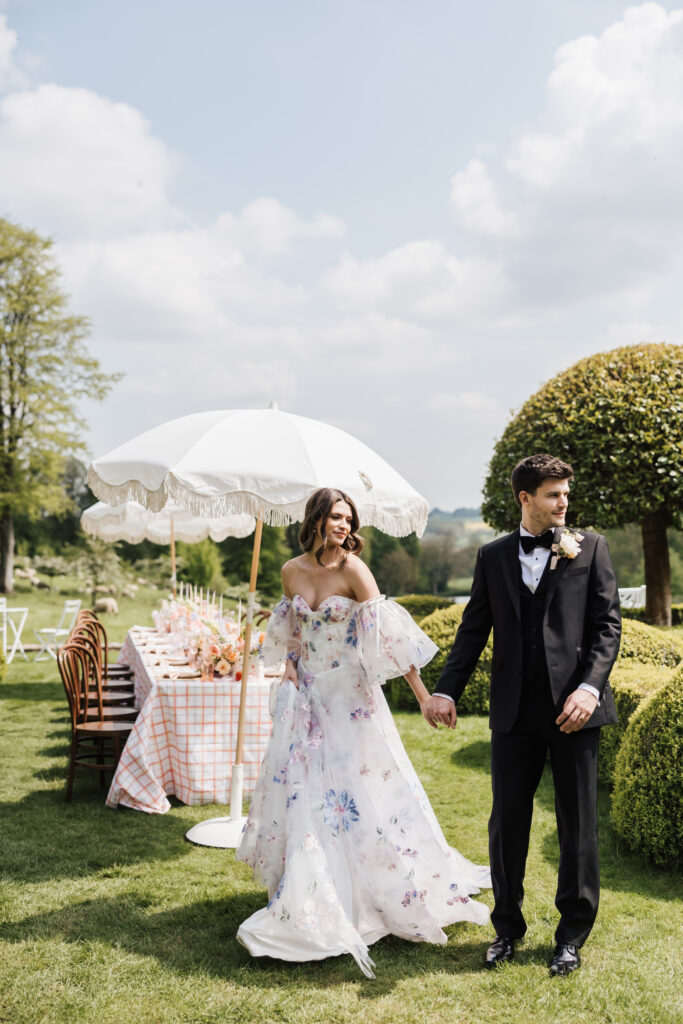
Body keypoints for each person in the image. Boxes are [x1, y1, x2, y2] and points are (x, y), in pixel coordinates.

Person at [236, 487, 490, 978]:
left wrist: (423, 696)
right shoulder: (291, 571)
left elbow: (386, 639)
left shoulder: (354, 570)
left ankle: (381, 884)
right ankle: (314, 886)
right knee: (307, 795)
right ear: (315, 519)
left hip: (352, 702)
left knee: (364, 794)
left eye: (348, 518)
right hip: (309, 703)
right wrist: (290, 668)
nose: (343, 526)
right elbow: (291, 635)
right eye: (335, 516)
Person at [422, 454, 620, 977]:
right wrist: (446, 691)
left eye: (566, 494)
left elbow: (607, 629)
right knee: (507, 823)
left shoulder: (591, 548)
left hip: (576, 711)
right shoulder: (491, 556)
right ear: (524, 499)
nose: (564, 503)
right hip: (512, 712)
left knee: (578, 824)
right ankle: (506, 929)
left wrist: (588, 689)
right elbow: (472, 630)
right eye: (554, 494)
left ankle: (571, 937)